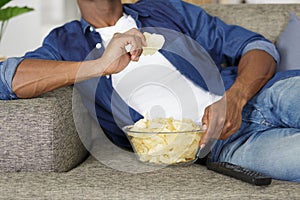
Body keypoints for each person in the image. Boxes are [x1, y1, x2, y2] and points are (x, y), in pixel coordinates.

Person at [0, 0, 299, 182]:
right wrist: (98, 66)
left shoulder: (165, 9)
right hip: (225, 148)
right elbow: (6, 79)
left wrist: (236, 97)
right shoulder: (65, 44)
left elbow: (257, 46)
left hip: (270, 96)